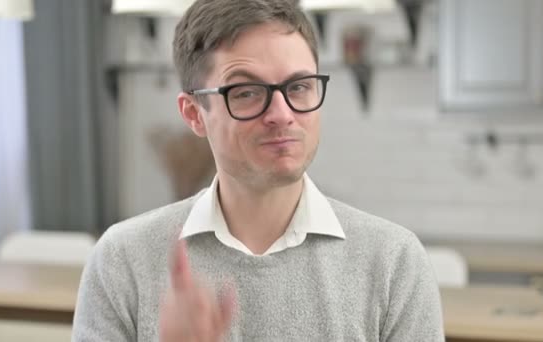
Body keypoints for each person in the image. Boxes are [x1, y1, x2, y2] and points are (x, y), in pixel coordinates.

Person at [72, 0, 444, 340]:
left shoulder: (395, 262)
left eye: (298, 86)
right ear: (194, 114)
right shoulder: (121, 261)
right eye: (247, 92)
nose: (282, 114)